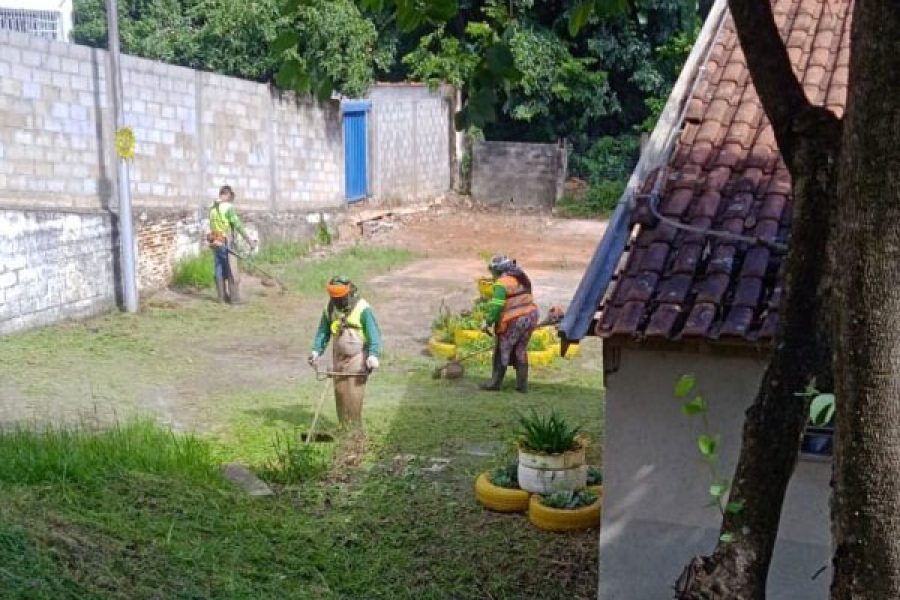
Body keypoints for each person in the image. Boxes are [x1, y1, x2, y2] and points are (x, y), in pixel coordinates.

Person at [308, 276, 382, 428]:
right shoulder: (330, 308)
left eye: (340, 298)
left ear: (348, 293)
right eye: (334, 298)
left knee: (353, 396)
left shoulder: (363, 308)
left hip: (358, 358)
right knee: (341, 395)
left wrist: (373, 355)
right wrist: (316, 351)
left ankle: (355, 432)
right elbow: (323, 331)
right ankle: (343, 428)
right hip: (338, 358)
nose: (337, 301)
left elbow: (374, 333)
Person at [480, 255, 539, 393]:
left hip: (513, 319)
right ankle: (522, 386)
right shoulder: (521, 278)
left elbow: (496, 307)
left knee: (503, 350)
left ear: (497, 270)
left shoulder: (501, 284)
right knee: (521, 349)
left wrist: (488, 322)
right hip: (530, 316)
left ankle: (495, 383)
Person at [207, 185, 255, 304]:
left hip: (214, 241)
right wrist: (249, 241)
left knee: (219, 268)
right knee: (232, 269)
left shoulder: (212, 207)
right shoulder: (228, 207)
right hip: (225, 241)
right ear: (227, 195)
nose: (230, 199)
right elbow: (237, 225)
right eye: (230, 196)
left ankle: (221, 298)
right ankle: (235, 299)